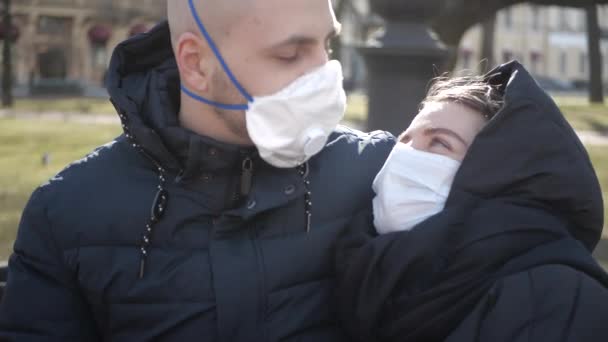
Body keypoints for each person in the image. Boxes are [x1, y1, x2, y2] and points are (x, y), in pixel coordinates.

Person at [0, 0, 394, 341]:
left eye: (326, 45)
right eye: (290, 55)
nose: (324, 76)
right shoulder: (67, 215)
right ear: (196, 63)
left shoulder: (375, 174)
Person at [336, 61, 608, 342]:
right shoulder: (361, 272)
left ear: (495, 175)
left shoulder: (558, 298)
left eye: (440, 143)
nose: (405, 155)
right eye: (404, 140)